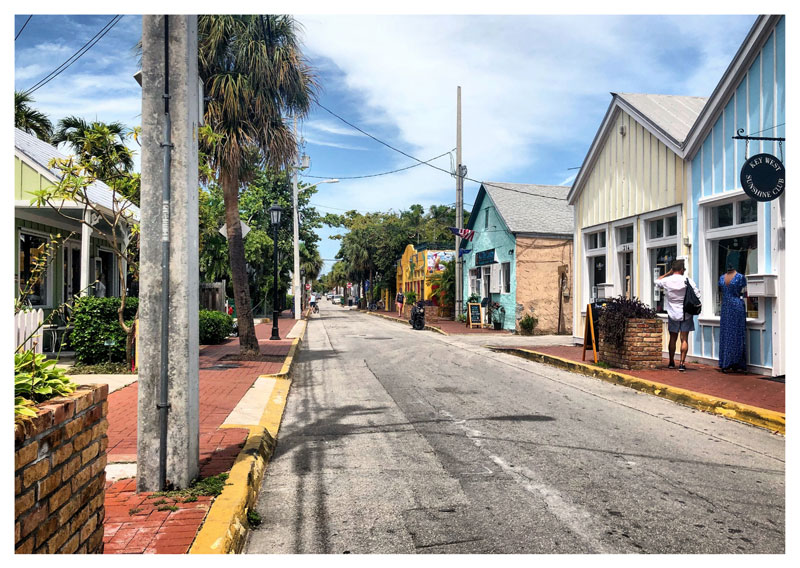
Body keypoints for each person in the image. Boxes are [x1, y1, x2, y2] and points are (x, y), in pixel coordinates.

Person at [655, 259, 701, 372]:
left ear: (673, 269)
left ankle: (671, 362)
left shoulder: (667, 281)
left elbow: (656, 280)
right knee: (684, 338)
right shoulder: (687, 280)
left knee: (673, 338)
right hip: (686, 313)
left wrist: (668, 273)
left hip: (672, 313)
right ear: (682, 269)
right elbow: (697, 294)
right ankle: (681, 363)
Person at [718, 265, 747, 372]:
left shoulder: (740, 277)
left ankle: (735, 362)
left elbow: (743, 291)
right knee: (727, 334)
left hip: (734, 306)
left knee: (736, 334)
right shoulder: (722, 277)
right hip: (727, 307)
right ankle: (728, 362)